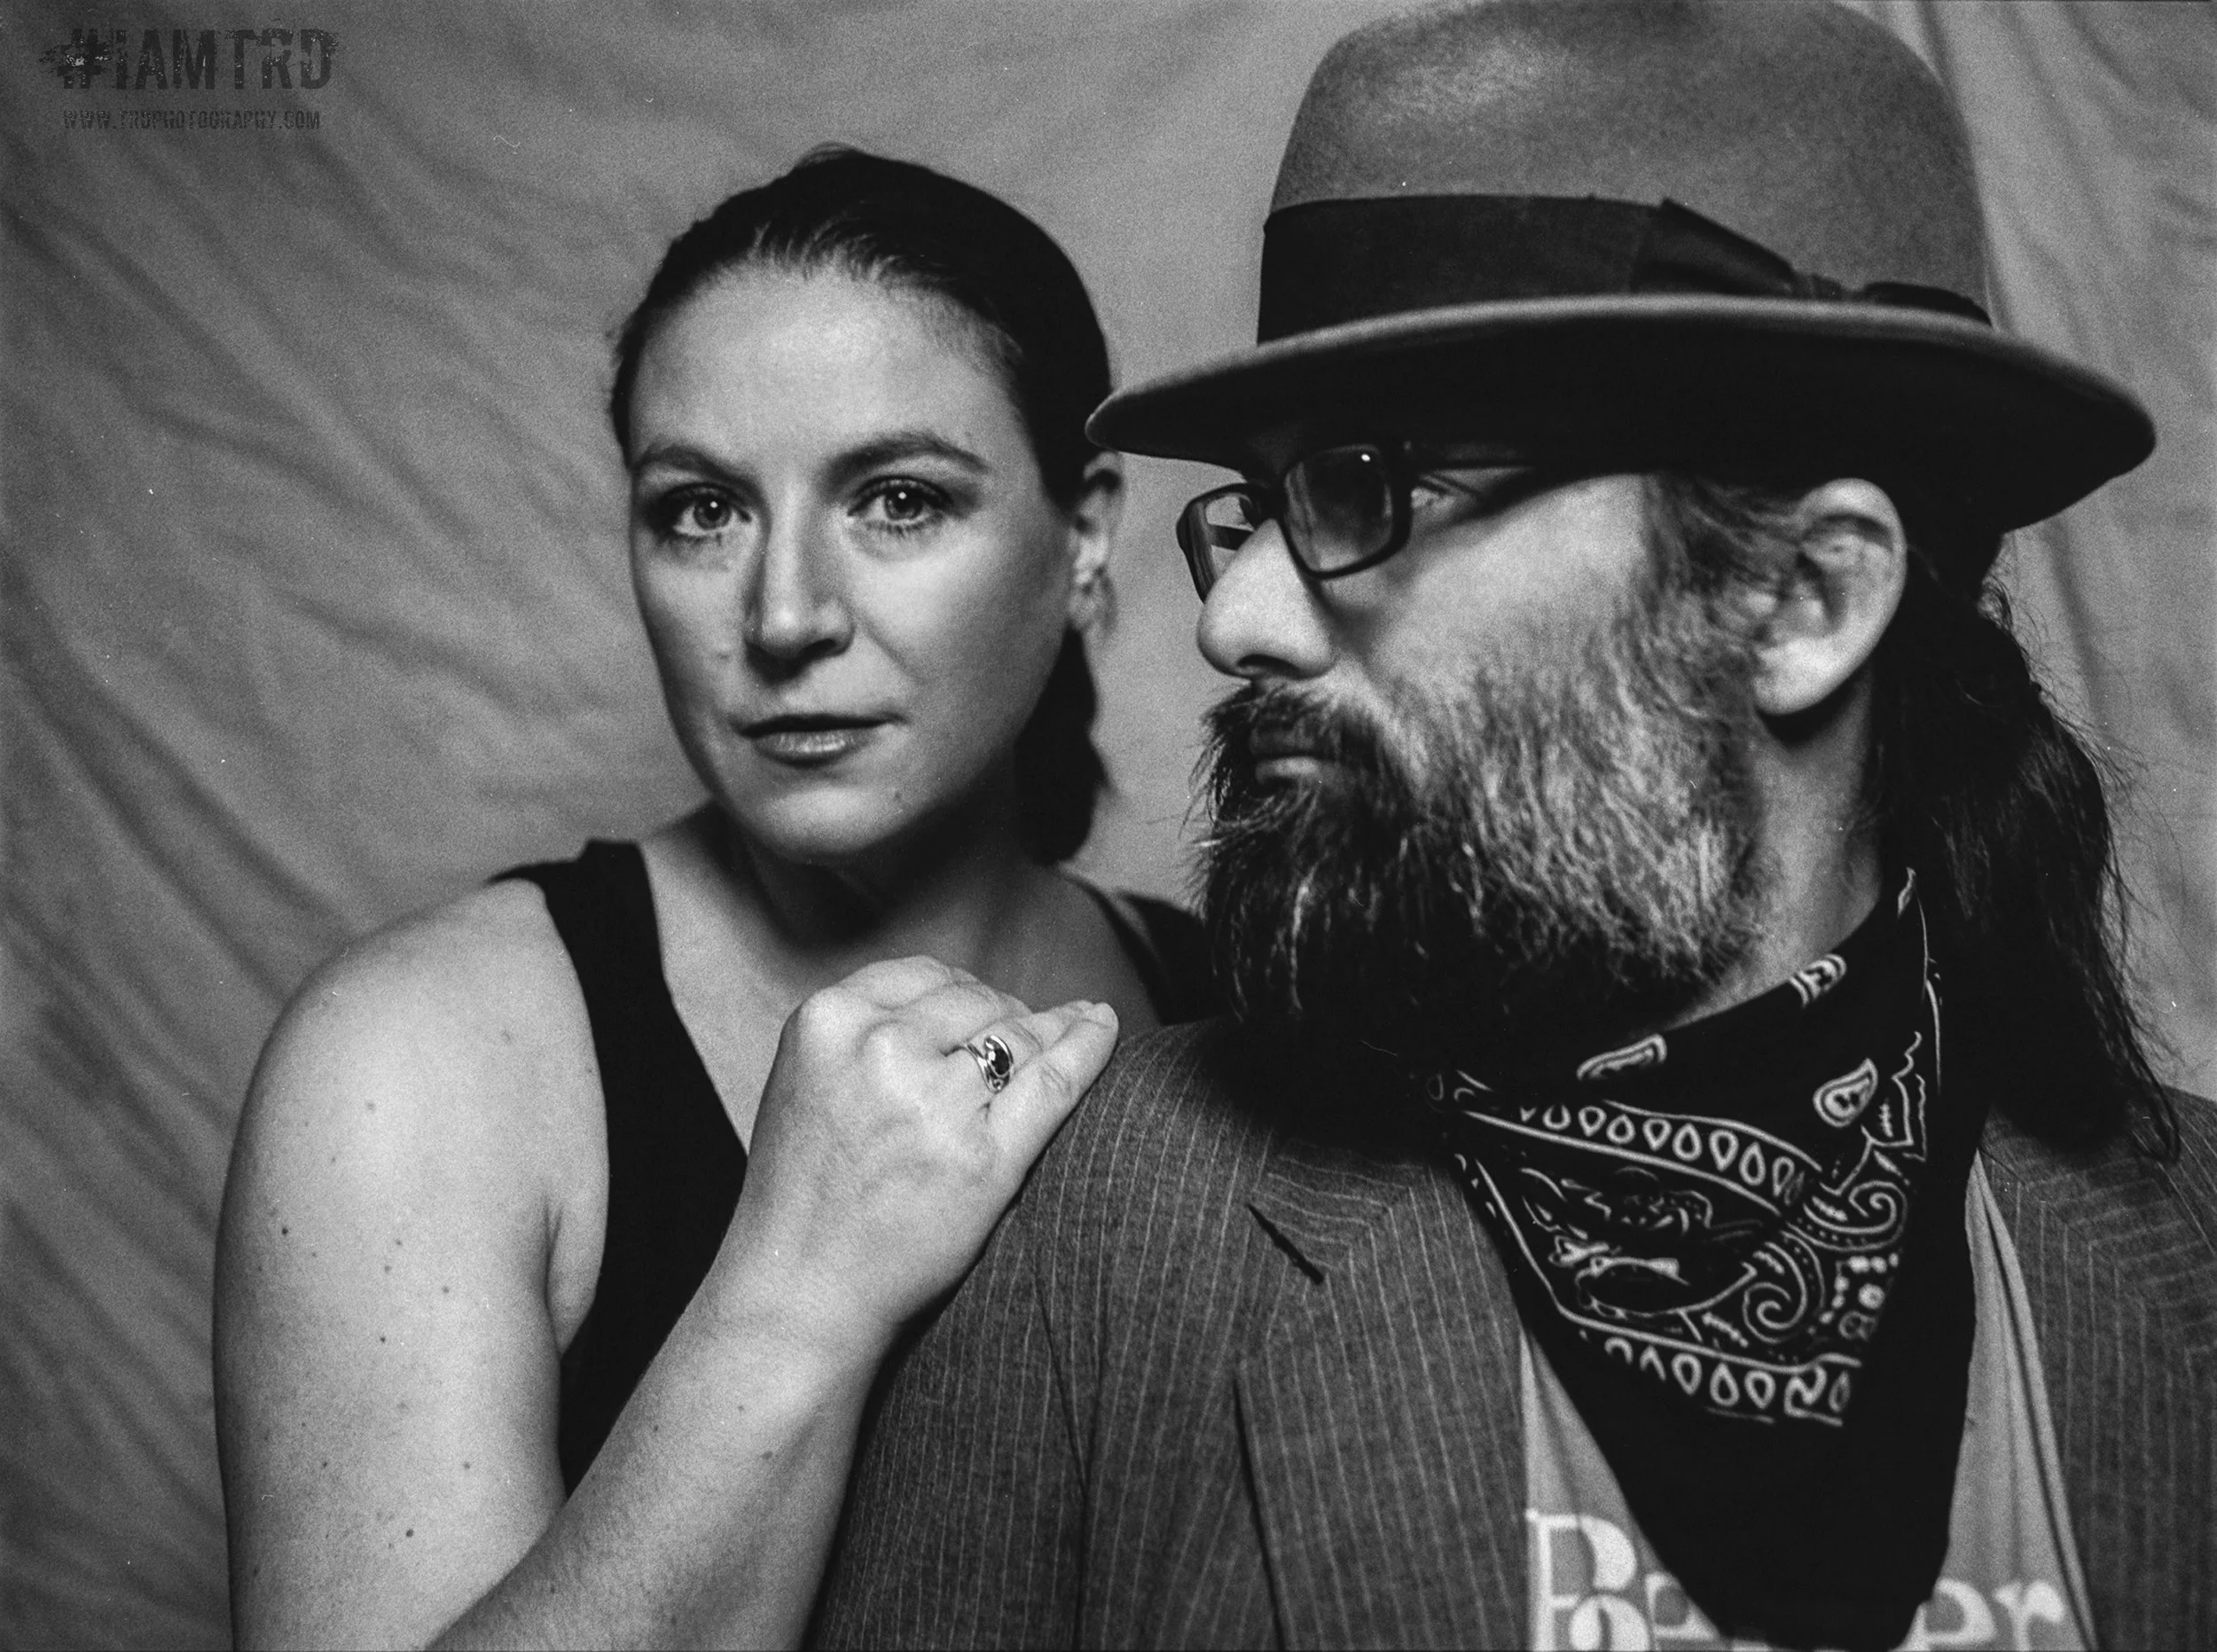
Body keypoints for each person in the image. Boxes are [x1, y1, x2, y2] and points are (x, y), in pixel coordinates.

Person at [816, 5, 2215, 1649]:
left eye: (1365, 485)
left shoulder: (2188, 1251)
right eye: (1253, 509)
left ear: (1800, 598)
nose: (1234, 619)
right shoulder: (1097, 1235)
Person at [213, 147, 1211, 1648]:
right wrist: (800, 1285)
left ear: (1083, 537)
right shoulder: (417, 1062)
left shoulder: (1242, 1010)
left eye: (897, 499)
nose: (786, 614)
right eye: (701, 511)